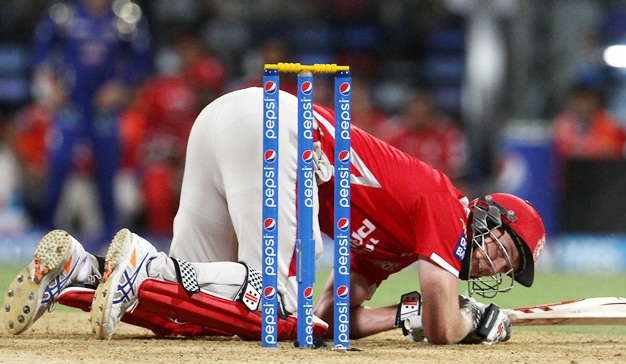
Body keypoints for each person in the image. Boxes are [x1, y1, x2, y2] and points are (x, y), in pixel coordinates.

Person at [3, 87, 545, 345]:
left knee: (193, 318)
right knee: (277, 300)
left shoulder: (396, 247)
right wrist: (470, 320)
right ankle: (145, 264)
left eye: (506, 263)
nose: (495, 259)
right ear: (486, 214)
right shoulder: (447, 206)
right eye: (503, 243)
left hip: (227, 121)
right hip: (279, 130)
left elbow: (330, 321)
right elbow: (444, 331)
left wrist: (398, 316)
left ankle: (79, 271)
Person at [31, 0, 151, 247]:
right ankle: (46, 230)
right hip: (71, 104)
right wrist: (50, 85)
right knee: (59, 162)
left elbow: (142, 60)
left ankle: (108, 235)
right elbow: (41, 51)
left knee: (107, 168)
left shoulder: (126, 16)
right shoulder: (64, 13)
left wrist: (121, 88)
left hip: (104, 109)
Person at [553, 83, 626, 160]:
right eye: (579, 99)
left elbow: (612, 150)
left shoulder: (611, 125)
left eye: (587, 99)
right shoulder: (561, 125)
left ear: (595, 101)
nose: (583, 105)